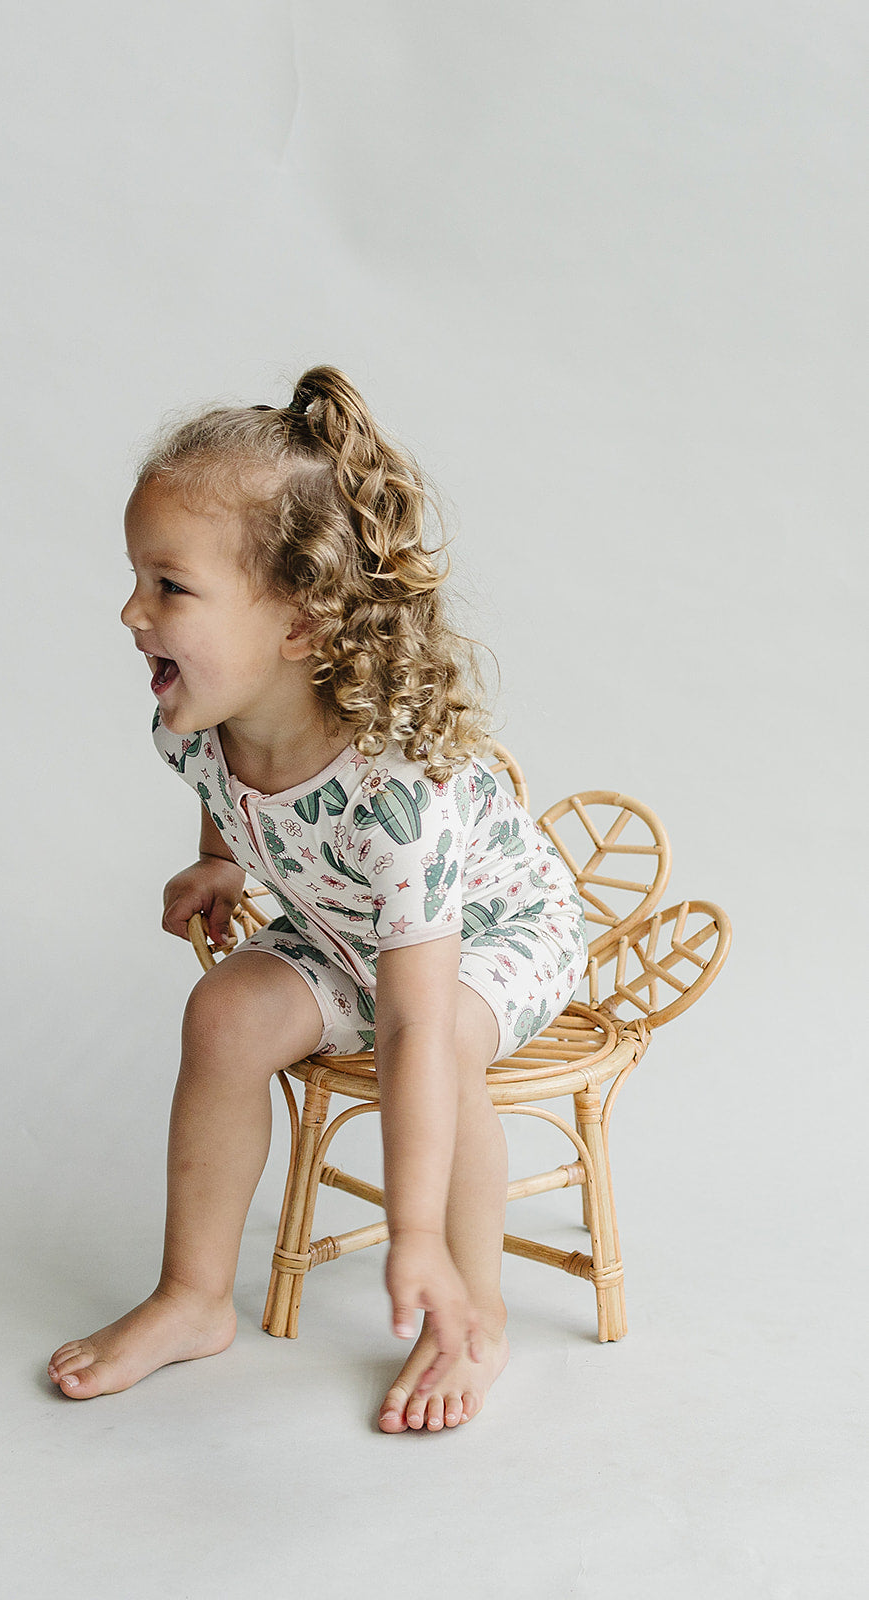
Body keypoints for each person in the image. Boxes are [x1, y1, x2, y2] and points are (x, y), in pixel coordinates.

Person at [47, 365, 588, 1432]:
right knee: (221, 1014)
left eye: (170, 587)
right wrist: (219, 862)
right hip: (351, 931)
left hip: (492, 932)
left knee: (437, 1047)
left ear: (298, 624)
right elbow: (222, 792)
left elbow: (413, 1022)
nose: (130, 611)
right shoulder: (191, 726)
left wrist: (413, 1232)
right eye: (136, 577)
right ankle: (193, 1296)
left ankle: (470, 1315)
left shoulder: (397, 803)